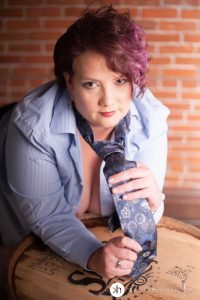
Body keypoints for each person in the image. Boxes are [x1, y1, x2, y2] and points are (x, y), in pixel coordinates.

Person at [0, 5, 169, 280]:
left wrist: (153, 204)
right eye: (91, 84)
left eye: (119, 80)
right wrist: (92, 255)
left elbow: (149, 206)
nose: (109, 101)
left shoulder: (152, 121)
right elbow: (47, 217)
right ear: (69, 81)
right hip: (23, 240)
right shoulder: (32, 127)